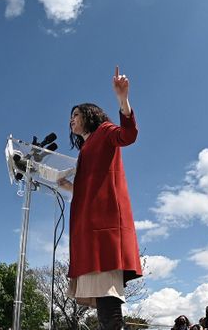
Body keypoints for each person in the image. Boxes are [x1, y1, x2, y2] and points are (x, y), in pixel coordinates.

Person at [58, 66, 141, 330]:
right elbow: (89, 190)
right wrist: (67, 186)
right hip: (88, 230)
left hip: (104, 230)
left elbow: (128, 135)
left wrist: (122, 99)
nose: (71, 120)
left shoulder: (104, 131)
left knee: (108, 298)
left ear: (89, 115)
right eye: (70, 116)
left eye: (76, 114)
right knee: (103, 304)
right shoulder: (85, 149)